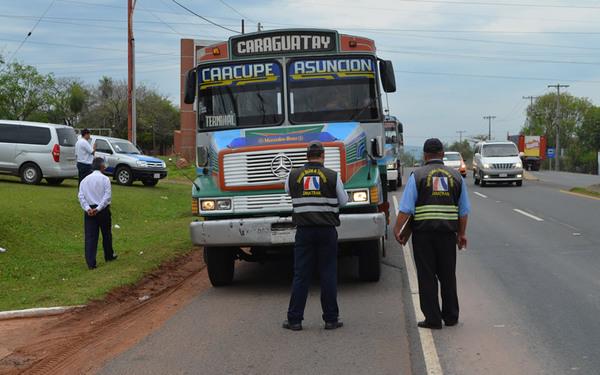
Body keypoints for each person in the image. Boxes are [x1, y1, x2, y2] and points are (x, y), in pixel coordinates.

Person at [393, 138, 470, 329]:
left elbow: (406, 208)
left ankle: (433, 319)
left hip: (423, 236)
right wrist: (462, 234)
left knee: (427, 276)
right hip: (447, 235)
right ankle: (451, 317)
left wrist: (396, 229)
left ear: (424, 155)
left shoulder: (417, 176)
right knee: (448, 276)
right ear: (443, 154)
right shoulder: (456, 176)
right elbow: (463, 210)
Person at [283, 140, 348, 331]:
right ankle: (331, 319)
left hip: (304, 232)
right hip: (327, 231)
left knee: (301, 275)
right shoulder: (332, 176)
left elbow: (287, 191)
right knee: (327, 274)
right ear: (323, 155)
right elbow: (343, 201)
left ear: (306, 156)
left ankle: (294, 320)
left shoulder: (292, 175)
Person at [78, 157, 118, 270]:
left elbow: (81, 196)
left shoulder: (85, 180)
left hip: (89, 210)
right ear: (102, 167)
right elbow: (107, 197)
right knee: (106, 234)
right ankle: (108, 255)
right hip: (102, 210)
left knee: (90, 237)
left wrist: (87, 208)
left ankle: (91, 263)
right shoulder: (105, 179)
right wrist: (99, 208)